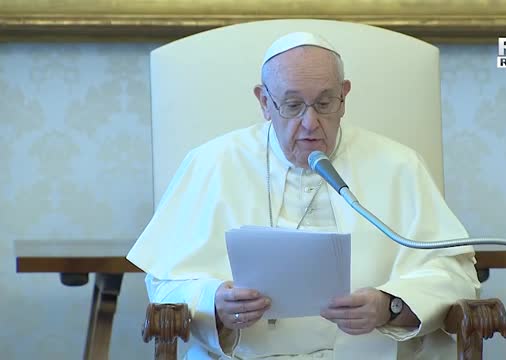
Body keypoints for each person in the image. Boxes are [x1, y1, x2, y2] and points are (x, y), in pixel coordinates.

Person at [127, 31, 480, 360]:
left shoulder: (399, 164)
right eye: (293, 105)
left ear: (344, 96)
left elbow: (454, 272)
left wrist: (390, 306)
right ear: (264, 101)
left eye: (324, 103)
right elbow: (164, 282)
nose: (311, 123)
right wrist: (214, 302)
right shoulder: (210, 164)